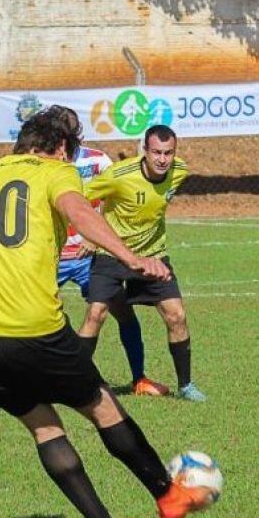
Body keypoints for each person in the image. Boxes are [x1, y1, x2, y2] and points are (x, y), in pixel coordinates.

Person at [0, 105, 214, 518]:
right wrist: (130, 257)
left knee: (44, 427)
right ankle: (168, 497)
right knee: (102, 408)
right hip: (30, 326)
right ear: (60, 148)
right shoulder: (55, 171)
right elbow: (79, 211)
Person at [78, 125, 206, 402]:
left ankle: (185, 386)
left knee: (177, 316)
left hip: (153, 257)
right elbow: (79, 200)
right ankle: (74, 383)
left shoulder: (179, 172)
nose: (162, 159)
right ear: (144, 151)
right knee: (95, 314)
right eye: (156, 152)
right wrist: (92, 234)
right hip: (112, 254)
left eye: (168, 153)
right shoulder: (119, 175)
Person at [58, 144, 164, 396]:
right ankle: (0, 381)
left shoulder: (97, 160)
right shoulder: (44, 162)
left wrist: (94, 236)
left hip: (89, 257)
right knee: (24, 315)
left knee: (121, 312)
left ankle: (139, 378)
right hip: (52, 257)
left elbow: (114, 196)